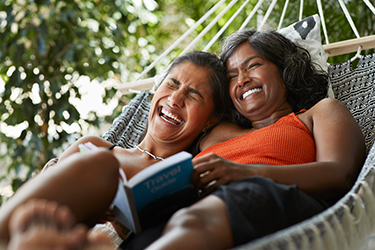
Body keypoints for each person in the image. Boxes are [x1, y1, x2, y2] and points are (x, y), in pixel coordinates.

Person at [121, 29, 366, 249]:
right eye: (231, 76)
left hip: (271, 203)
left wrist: (246, 173)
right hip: (187, 213)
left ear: (284, 68)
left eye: (252, 66)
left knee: (194, 220)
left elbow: (339, 174)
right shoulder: (213, 133)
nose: (242, 80)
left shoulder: (319, 113)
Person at [0, 51, 232, 248]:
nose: (175, 99)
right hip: (47, 232)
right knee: (101, 163)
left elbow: (261, 132)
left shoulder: (188, 178)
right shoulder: (92, 147)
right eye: (172, 84)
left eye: (194, 95)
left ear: (212, 120)